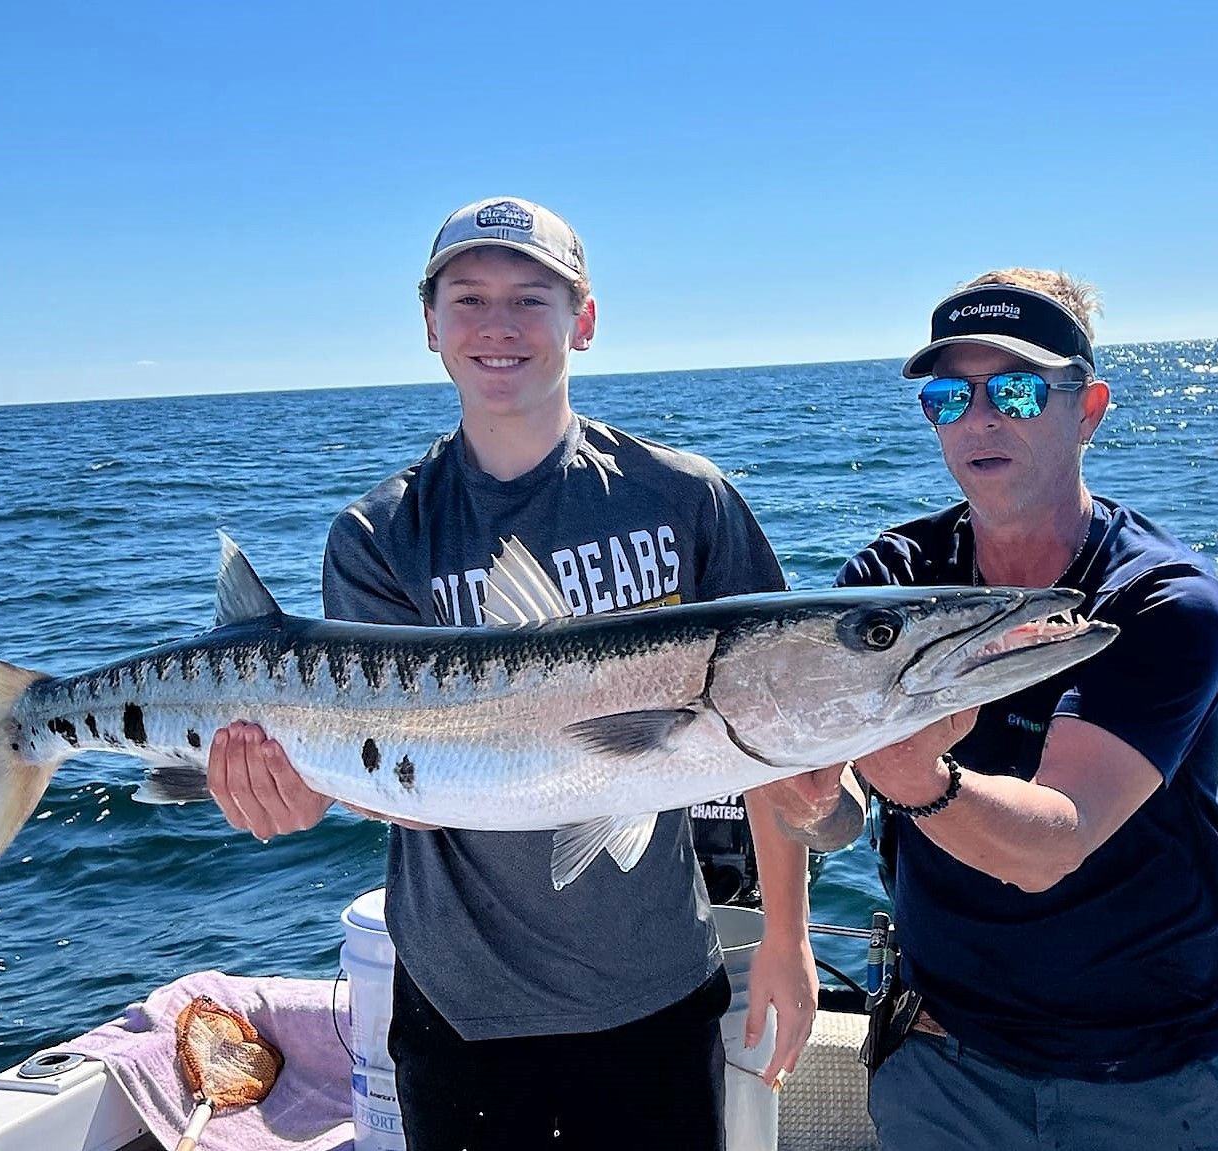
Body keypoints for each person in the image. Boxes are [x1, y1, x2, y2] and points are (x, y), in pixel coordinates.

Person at [206, 196, 817, 1149]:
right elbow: (391, 770)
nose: (498, 325)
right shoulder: (380, 534)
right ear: (430, 325)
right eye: (469, 297)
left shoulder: (687, 497)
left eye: (531, 298)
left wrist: (789, 936)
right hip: (461, 1005)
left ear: (583, 319)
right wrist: (300, 790)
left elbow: (778, 731)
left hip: (658, 984)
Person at [766, 271, 1218, 1150]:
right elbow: (834, 809)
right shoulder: (885, 587)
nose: (979, 418)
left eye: (1017, 388)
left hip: (1151, 1075)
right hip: (943, 1062)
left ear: (1089, 408)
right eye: (947, 396)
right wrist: (804, 804)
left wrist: (914, 777)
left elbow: (1052, 842)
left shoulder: (1158, 600)